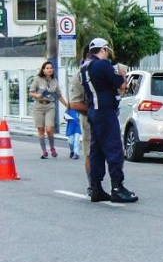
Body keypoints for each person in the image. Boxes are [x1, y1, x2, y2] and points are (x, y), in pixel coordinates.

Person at [81, 38, 137, 203]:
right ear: (103, 49)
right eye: (107, 50)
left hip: (93, 110)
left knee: (96, 151)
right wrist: (122, 73)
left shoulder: (84, 67)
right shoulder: (102, 65)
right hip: (105, 111)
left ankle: (96, 187)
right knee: (114, 149)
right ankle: (117, 187)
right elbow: (121, 85)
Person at [29, 60, 69, 159]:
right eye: (47, 68)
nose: (50, 70)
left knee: (49, 128)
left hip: (49, 106)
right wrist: (37, 95)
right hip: (38, 106)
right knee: (40, 129)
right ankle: (44, 151)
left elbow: (59, 96)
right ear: (43, 70)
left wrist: (68, 105)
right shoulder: (37, 79)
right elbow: (31, 92)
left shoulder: (54, 81)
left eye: (51, 68)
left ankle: (52, 148)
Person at [69, 44, 93, 196]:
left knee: (114, 153)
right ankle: (93, 185)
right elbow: (75, 103)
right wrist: (95, 109)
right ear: (86, 57)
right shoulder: (80, 75)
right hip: (90, 119)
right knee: (91, 153)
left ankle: (117, 185)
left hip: (109, 120)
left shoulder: (107, 71)